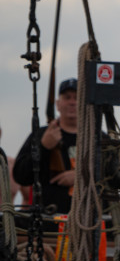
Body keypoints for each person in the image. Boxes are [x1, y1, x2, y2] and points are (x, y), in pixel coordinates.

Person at [13, 77, 80, 215]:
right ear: (57, 104)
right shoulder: (41, 134)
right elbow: (20, 175)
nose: (72, 102)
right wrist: (43, 146)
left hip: (89, 222)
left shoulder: (98, 138)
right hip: (47, 220)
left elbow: (118, 176)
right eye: (67, 97)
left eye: (76, 97)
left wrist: (80, 176)